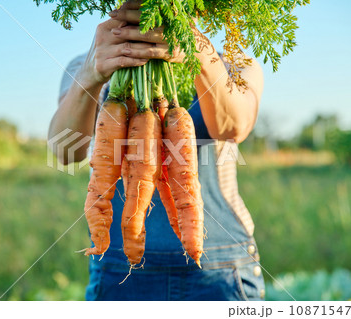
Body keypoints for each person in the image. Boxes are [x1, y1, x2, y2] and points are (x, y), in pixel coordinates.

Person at [49, 0, 265, 301]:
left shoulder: (232, 65)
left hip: (221, 270)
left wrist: (195, 48)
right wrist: (90, 73)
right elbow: (63, 151)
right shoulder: (90, 61)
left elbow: (234, 127)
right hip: (117, 270)